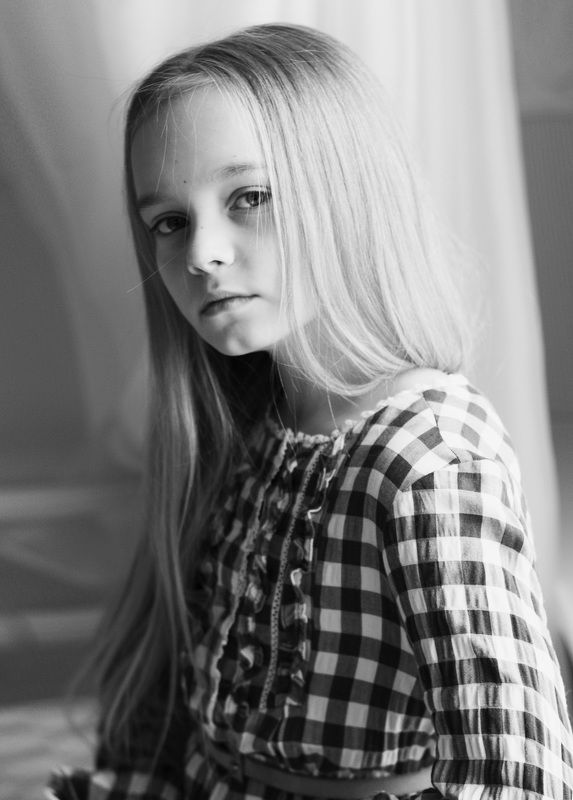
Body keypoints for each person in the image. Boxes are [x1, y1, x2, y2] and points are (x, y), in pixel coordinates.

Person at [48, 22, 573, 800]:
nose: (200, 253)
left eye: (250, 197)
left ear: (347, 193)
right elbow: (175, 720)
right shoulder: (237, 429)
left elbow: (511, 781)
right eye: (169, 222)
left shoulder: (429, 456)